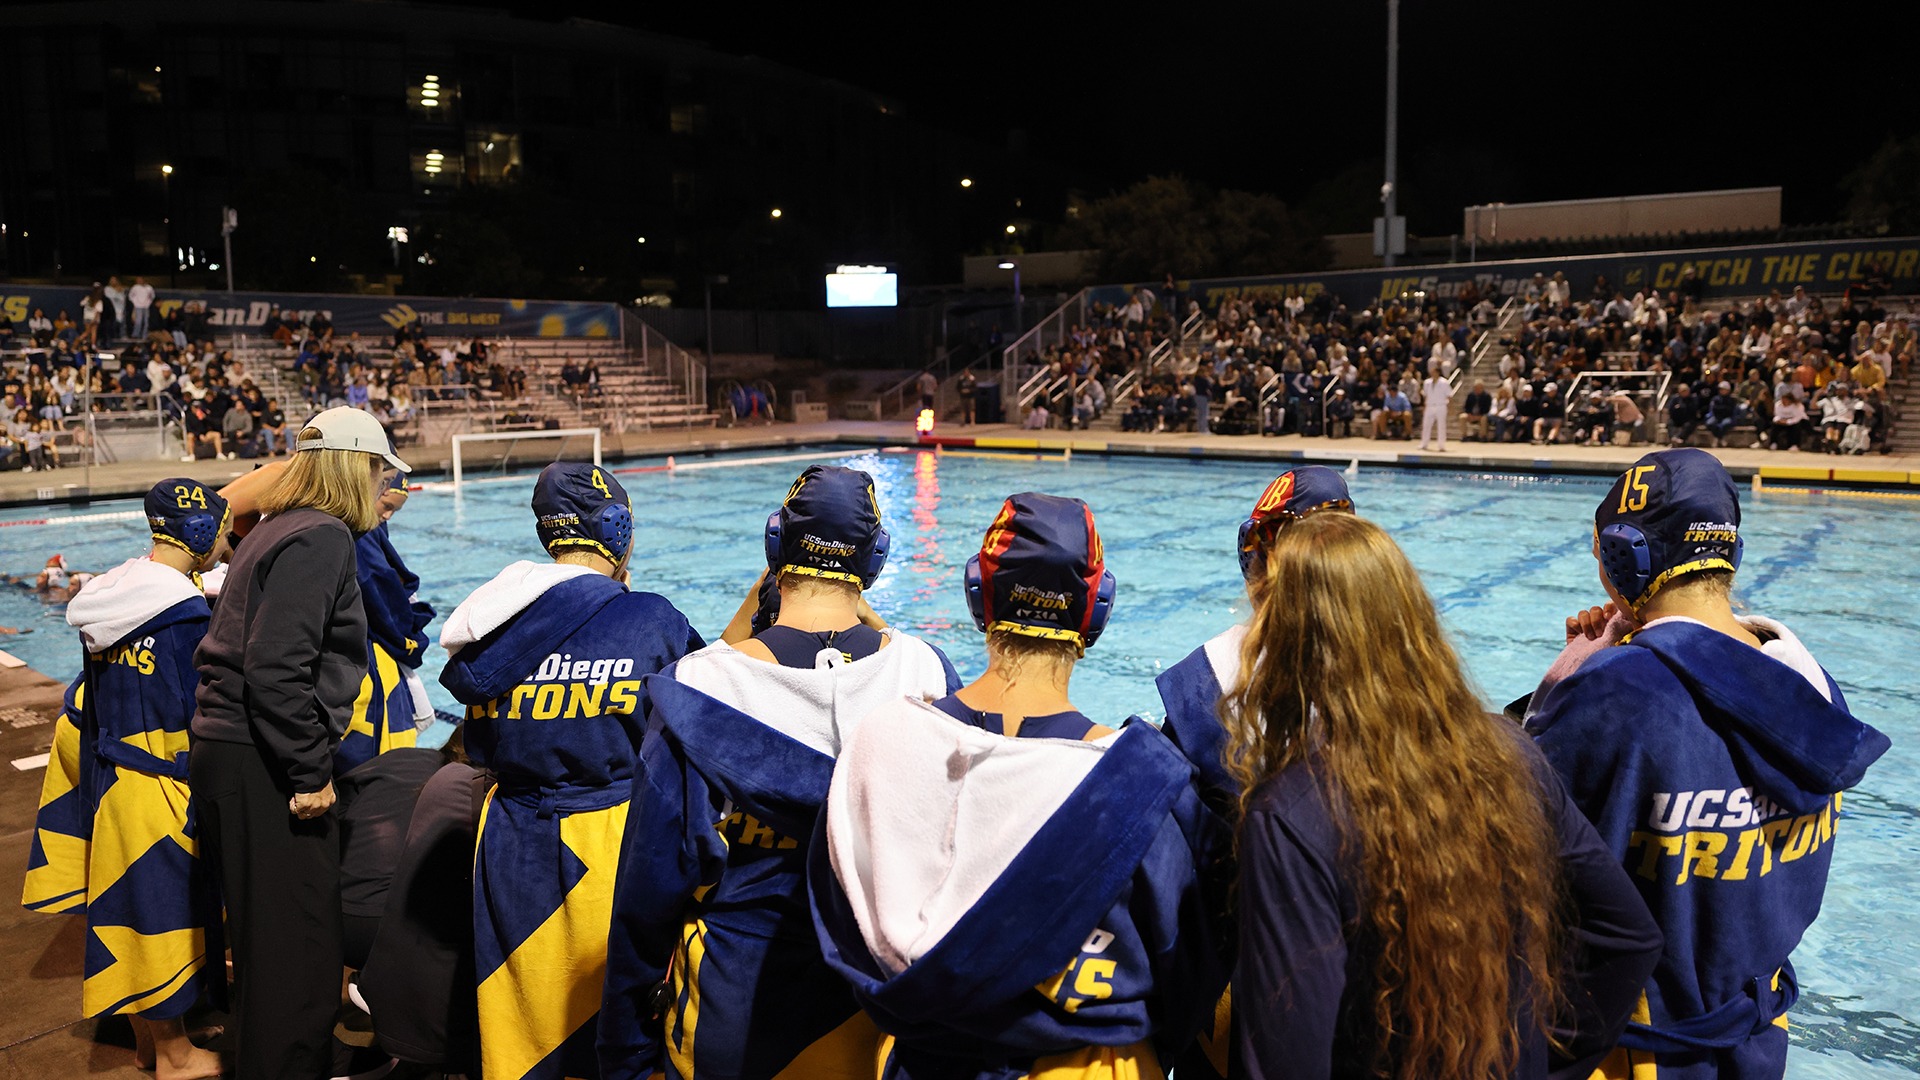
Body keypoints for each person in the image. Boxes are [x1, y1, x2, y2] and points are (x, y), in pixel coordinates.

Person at [1226, 512, 1663, 1080]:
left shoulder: (1290, 816)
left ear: (1281, 641)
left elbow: (1287, 1061)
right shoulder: (1509, 754)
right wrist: (1547, 1060)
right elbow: (1626, 937)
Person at [809, 492, 1230, 1080]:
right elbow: (1189, 980)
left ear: (978, 595)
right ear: (1096, 610)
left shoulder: (878, 745)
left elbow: (839, 930)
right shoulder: (1139, 782)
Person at [1527, 449, 1890, 1080]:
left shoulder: (1615, 694)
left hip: (1630, 1050)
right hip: (1756, 1037)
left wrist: (1565, 682)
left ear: (1627, 554)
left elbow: (1517, 856)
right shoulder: (1811, 686)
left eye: (1598, 554)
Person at [597, 466, 959, 1080]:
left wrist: (627, 1055)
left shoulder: (702, 689)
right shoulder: (923, 674)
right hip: (874, 1009)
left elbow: (646, 897)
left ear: (775, 548)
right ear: (875, 559)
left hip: (731, 1008)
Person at [439, 462, 702, 1080]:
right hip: (613, 841)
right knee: (620, 1022)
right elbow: (706, 716)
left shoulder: (490, 623)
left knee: (521, 1020)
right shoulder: (653, 619)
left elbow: (478, 743)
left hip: (510, 840)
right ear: (617, 528)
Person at [189, 406, 409, 1080]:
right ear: (353, 468)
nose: (381, 489)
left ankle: (281, 1054)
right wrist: (310, 771)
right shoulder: (320, 538)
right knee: (300, 946)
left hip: (234, 748)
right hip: (263, 757)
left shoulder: (277, 527)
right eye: (378, 473)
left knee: (270, 939)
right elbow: (278, 667)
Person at [24, 480, 232, 1080]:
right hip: (160, 787)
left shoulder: (112, 599)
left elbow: (92, 701)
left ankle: (150, 1045)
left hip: (113, 780)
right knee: (161, 922)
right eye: (221, 531)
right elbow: (200, 713)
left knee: (130, 919)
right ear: (200, 532)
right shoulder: (186, 617)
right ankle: (176, 1057)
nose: (224, 544)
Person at [335, 470, 435, 775]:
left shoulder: (363, 523)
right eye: (387, 505)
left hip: (358, 658)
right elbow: (380, 594)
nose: (388, 516)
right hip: (371, 664)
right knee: (384, 772)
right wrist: (413, 641)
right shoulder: (360, 531)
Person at [1419, 368, 1454, 450]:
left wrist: (1451, 408)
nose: (1432, 374)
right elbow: (1426, 396)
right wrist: (1424, 407)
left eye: (1434, 372)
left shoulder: (1444, 382)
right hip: (1429, 406)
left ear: (1438, 373)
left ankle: (1441, 445)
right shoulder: (1427, 382)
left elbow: (1449, 395)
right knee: (1426, 425)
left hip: (1441, 405)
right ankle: (1424, 443)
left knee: (1441, 426)